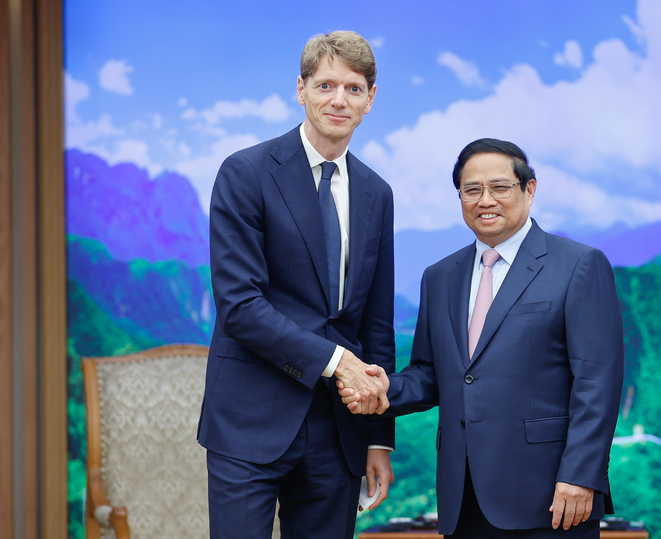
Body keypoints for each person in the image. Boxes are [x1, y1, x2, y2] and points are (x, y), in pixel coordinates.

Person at [340, 138, 623, 538]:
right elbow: (431, 373)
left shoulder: (578, 265)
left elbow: (598, 383)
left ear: (529, 189)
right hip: (463, 497)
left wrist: (581, 475)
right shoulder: (439, 277)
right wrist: (387, 388)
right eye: (471, 190)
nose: (484, 200)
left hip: (553, 498)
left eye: (500, 187)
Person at [197, 31, 395, 539]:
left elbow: (376, 322)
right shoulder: (246, 173)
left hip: (339, 431)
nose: (339, 99)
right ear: (301, 89)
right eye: (326, 84)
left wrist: (378, 439)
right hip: (250, 419)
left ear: (371, 99)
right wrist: (337, 362)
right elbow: (240, 306)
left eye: (354, 88)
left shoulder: (377, 193)